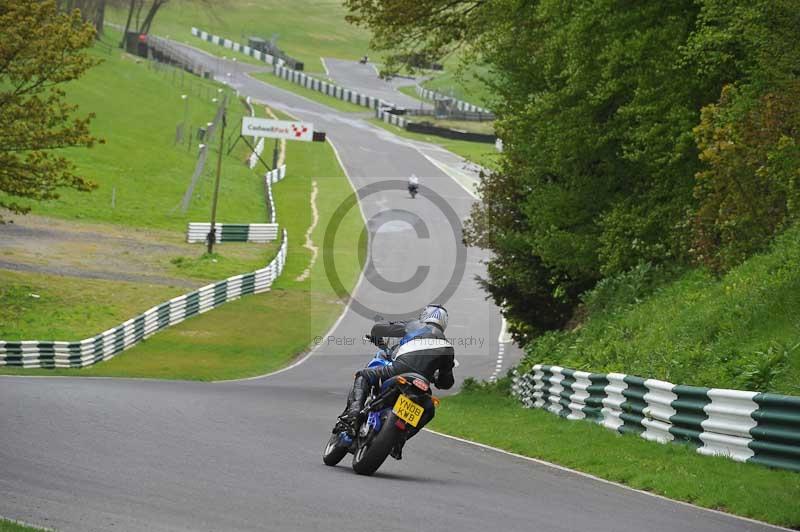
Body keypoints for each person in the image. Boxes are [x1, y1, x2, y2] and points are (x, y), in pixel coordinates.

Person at [337, 304, 455, 459]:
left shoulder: (414, 324)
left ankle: (352, 417)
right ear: (444, 322)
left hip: (398, 370)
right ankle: (399, 441)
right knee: (429, 409)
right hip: (422, 384)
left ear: (425, 315)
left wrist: (379, 331)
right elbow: (446, 383)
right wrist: (436, 377)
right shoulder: (448, 347)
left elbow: (378, 328)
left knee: (363, 376)